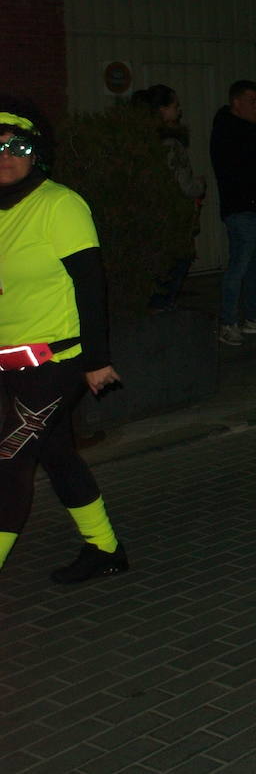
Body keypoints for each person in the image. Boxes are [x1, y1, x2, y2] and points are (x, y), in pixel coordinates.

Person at [0, 100, 127, 584]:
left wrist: (96, 360)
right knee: (55, 453)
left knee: (10, 462)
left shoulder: (60, 204)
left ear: (36, 153)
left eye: (17, 146)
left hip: (56, 360)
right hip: (7, 363)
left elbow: (91, 285)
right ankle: (106, 549)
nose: (5, 156)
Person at [209, 80, 256, 345]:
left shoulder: (254, 130)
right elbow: (241, 159)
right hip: (242, 210)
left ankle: (252, 318)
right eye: (252, 101)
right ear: (236, 102)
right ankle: (227, 322)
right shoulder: (227, 128)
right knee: (239, 266)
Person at [133, 84, 205, 313]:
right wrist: (200, 185)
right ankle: (162, 307)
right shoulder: (170, 144)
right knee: (176, 261)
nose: (179, 111)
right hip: (169, 216)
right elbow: (185, 184)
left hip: (149, 214)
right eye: (175, 106)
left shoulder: (139, 139)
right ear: (162, 110)